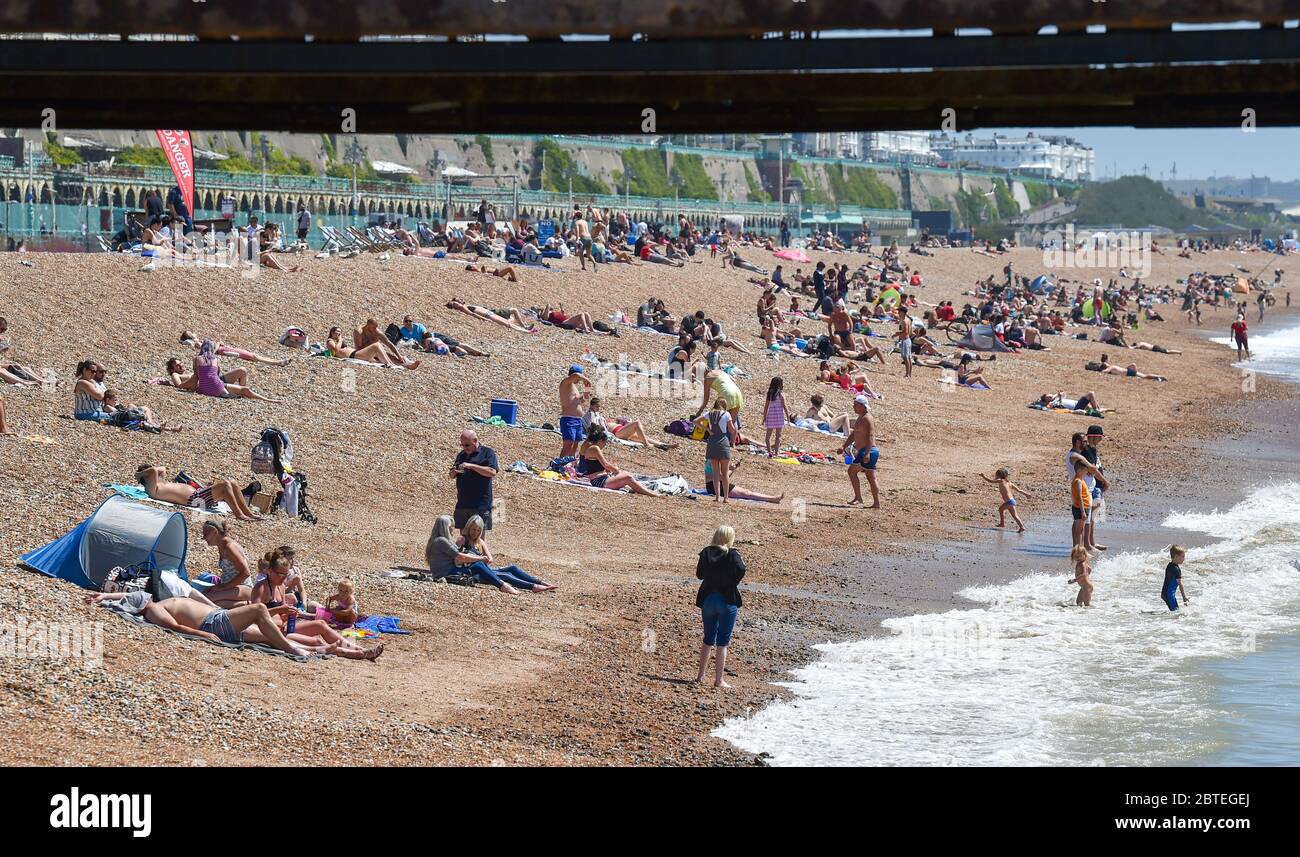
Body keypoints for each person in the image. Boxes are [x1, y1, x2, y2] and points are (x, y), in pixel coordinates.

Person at [85, 591, 317, 657]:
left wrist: (104, 596)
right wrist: (202, 635)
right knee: (258, 610)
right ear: (142, 604)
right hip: (212, 624)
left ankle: (316, 648)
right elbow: (176, 628)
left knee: (269, 635)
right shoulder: (154, 610)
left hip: (218, 619)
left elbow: (128, 595)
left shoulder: (155, 603)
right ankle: (292, 649)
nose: (145, 595)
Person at [250, 548, 383, 659]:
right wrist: (281, 609)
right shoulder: (261, 588)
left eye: (286, 575)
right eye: (281, 575)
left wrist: (288, 613)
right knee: (317, 641)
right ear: (270, 571)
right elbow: (254, 615)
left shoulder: (281, 586)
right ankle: (359, 654)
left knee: (321, 624)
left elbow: (281, 613)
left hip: (284, 627)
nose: (284, 578)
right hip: (271, 631)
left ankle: (359, 649)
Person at [695, 525, 745, 689]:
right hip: (727, 599)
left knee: (708, 638)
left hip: (708, 598)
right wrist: (732, 581)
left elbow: (699, 574)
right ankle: (718, 680)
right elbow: (741, 570)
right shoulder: (732, 554)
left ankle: (700, 675)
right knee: (723, 641)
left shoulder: (706, 552)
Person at [456, 515, 556, 592]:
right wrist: (480, 558)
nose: (475, 533)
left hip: (484, 569)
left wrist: (487, 558)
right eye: (473, 529)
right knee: (505, 575)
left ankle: (541, 582)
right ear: (469, 528)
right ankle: (533, 587)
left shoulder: (480, 542)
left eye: (478, 530)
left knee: (512, 568)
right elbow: (456, 557)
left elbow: (490, 558)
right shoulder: (462, 539)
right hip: (473, 572)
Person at [135, 463, 262, 521]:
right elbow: (152, 470)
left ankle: (248, 512)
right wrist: (139, 474)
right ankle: (239, 515)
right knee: (225, 485)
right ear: (145, 478)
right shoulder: (151, 489)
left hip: (198, 494)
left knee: (232, 482)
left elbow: (161, 469)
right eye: (149, 474)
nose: (154, 474)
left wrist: (145, 473)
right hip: (196, 499)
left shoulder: (158, 482)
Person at [576, 427, 657, 495]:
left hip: (600, 479)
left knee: (627, 477)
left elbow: (600, 467)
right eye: (605, 442)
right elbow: (606, 465)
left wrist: (613, 470)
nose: (605, 445)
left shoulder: (592, 448)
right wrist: (616, 470)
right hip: (599, 481)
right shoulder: (595, 448)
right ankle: (651, 494)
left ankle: (646, 491)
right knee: (627, 477)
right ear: (600, 441)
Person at [192, 340, 282, 402]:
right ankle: (268, 400)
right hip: (216, 386)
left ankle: (232, 391)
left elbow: (196, 377)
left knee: (242, 370)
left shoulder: (196, 359)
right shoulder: (216, 359)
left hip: (203, 387)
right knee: (245, 389)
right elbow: (216, 375)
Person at [199, 519, 254, 608]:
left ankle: (244, 604)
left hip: (243, 587)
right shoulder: (221, 545)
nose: (204, 538)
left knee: (207, 601)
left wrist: (222, 588)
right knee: (201, 596)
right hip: (231, 586)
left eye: (206, 534)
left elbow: (245, 573)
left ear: (215, 532)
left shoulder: (229, 548)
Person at [451, 429, 498, 532]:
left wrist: (471, 466)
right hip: (462, 503)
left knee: (478, 540)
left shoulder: (487, 453)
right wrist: (454, 472)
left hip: (480, 505)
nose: (464, 448)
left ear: (475, 440)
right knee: (463, 537)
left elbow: (492, 471)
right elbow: (451, 474)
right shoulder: (462, 455)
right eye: (462, 445)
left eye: (467, 445)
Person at [838, 395, 880, 508]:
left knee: (852, 471)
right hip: (869, 451)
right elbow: (854, 434)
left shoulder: (867, 418)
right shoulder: (861, 417)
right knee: (871, 476)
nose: (853, 407)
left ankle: (859, 498)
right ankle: (876, 503)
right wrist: (844, 446)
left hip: (868, 451)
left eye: (855, 405)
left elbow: (871, 436)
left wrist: (866, 453)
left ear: (862, 406)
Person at [699, 397, 737, 503]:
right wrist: (732, 442)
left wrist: (707, 429)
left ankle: (717, 497)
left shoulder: (709, 413)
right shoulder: (726, 414)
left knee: (715, 473)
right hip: (723, 443)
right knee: (724, 473)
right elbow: (732, 430)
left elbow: (695, 421)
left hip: (712, 444)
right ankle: (725, 498)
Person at [980, 468, 1032, 533]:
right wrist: (1026, 494)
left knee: (1011, 514)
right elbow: (1019, 490)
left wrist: (983, 476)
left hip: (1009, 502)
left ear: (999, 475)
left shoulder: (1001, 480)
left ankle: (1020, 527)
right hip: (1012, 501)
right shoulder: (1009, 483)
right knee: (1002, 510)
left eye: (996, 475)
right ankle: (1005, 524)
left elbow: (991, 481)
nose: (995, 476)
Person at [558, 365, 593, 458]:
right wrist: (586, 379)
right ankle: (559, 464)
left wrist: (586, 392)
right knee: (568, 443)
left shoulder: (573, 387)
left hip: (577, 420)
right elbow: (576, 375)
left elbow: (579, 401)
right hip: (568, 419)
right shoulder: (566, 382)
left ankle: (570, 464)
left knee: (575, 445)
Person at [762, 376, 788, 458]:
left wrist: (764, 417)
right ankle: (776, 452)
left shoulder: (770, 393)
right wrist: (788, 416)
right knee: (778, 436)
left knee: (768, 436)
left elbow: (766, 406)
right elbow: (784, 406)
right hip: (779, 416)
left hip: (771, 416)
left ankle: (769, 451)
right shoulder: (780, 394)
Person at [1163, 545, 1189, 611]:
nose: (1184, 558)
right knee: (1176, 613)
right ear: (1176, 556)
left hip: (1166, 593)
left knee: (1175, 612)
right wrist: (1184, 597)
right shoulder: (1176, 569)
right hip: (1169, 595)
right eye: (1182, 556)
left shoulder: (1170, 565)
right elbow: (1180, 584)